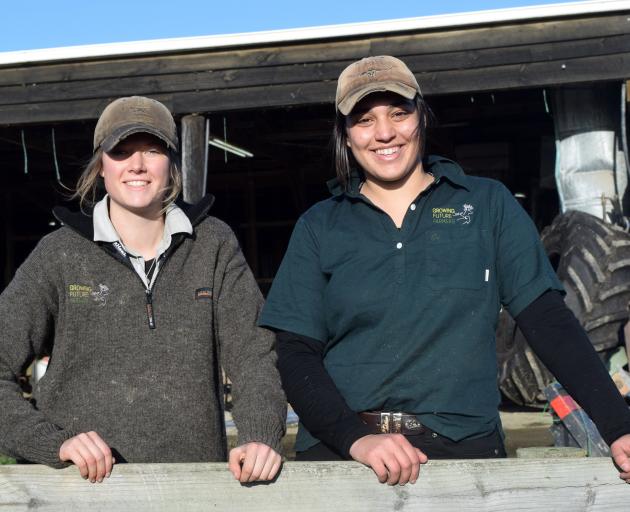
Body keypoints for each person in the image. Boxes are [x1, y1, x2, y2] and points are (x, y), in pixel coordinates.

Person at [259, 56, 630, 486]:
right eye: (364, 120)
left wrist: (618, 424)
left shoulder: (486, 205)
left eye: (399, 113)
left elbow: (547, 320)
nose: (384, 133)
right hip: (343, 456)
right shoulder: (319, 226)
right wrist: (355, 438)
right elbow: (295, 354)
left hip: (463, 451)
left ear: (422, 115)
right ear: (345, 134)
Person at [0, 96, 286, 484]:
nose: (137, 164)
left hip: (194, 490)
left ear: (171, 163)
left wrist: (260, 436)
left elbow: (253, 355)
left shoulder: (212, 243)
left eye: (152, 150)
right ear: (101, 165)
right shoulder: (60, 255)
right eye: (121, 151)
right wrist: (51, 443)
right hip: (81, 493)